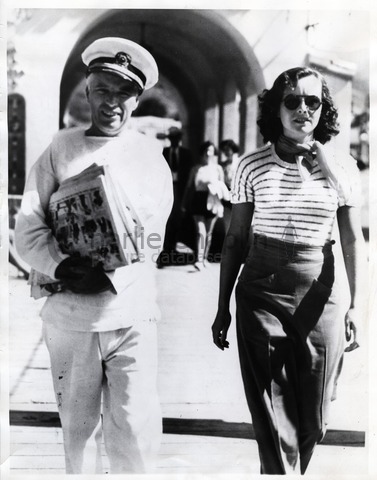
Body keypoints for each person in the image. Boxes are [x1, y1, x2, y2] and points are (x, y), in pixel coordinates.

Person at [15, 37, 173, 474]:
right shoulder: (59, 149)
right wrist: (61, 265)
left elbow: (155, 236)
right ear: (87, 90)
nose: (112, 102)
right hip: (70, 317)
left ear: (137, 99)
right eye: (103, 89)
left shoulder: (150, 157)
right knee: (77, 431)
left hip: (132, 314)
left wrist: (111, 276)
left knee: (136, 430)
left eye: (123, 93)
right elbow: (28, 225)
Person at [211, 67, 366, 474]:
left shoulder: (345, 167)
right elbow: (235, 239)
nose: (302, 109)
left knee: (314, 419)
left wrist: (357, 308)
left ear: (323, 108)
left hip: (322, 294)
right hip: (262, 289)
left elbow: (353, 241)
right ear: (276, 109)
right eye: (292, 100)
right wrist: (222, 306)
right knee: (275, 415)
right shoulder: (250, 166)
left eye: (312, 101)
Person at [183, 141, 229, 271]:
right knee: (200, 231)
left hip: (212, 201)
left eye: (211, 150)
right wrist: (184, 204)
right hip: (198, 200)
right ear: (202, 152)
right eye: (207, 151)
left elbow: (222, 186)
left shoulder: (218, 168)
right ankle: (199, 260)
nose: (209, 153)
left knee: (208, 232)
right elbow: (189, 187)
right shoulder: (196, 169)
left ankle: (204, 258)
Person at [158, 126, 193, 266]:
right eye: (172, 138)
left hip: (180, 189)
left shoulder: (186, 153)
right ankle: (166, 249)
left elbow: (189, 173)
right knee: (167, 217)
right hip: (167, 188)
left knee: (178, 218)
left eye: (177, 138)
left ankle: (173, 248)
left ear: (180, 139)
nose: (174, 141)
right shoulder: (164, 152)